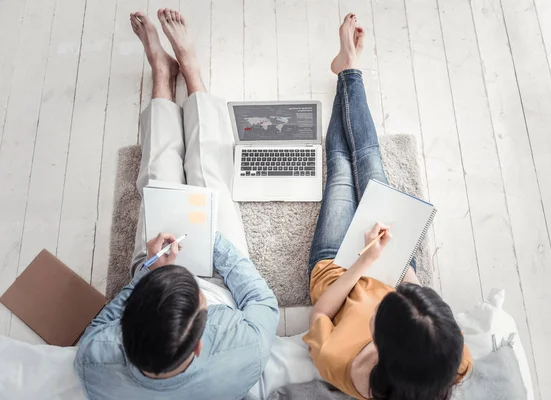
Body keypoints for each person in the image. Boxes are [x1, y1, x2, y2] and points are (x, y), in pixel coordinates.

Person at [74, 9, 279, 400]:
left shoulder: (95, 362)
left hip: (156, 268)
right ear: (199, 346)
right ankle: (193, 75)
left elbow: (98, 327)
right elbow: (262, 301)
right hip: (220, 279)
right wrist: (211, 239)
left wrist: (150, 268)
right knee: (209, 176)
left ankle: (163, 76)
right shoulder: (243, 350)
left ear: (125, 339)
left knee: (156, 176)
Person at [303, 13, 473, 400]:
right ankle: (349, 69)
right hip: (391, 262)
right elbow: (415, 291)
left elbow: (319, 316)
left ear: (381, 341)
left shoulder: (340, 364)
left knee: (341, 169)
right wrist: (395, 264)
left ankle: (347, 68)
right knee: (369, 158)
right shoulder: (453, 359)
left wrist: (364, 262)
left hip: (336, 271)